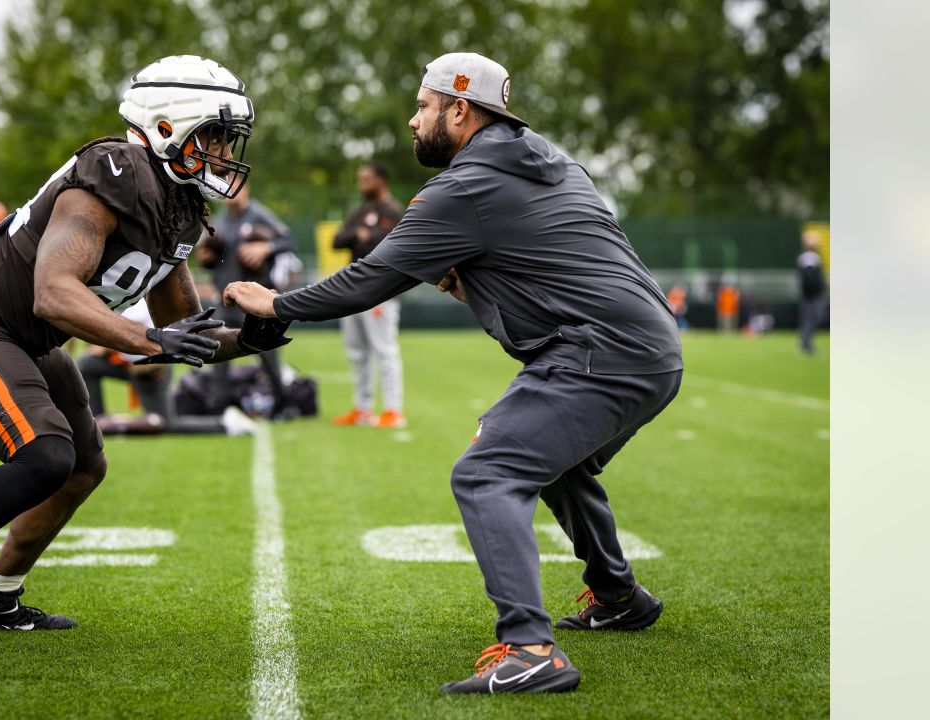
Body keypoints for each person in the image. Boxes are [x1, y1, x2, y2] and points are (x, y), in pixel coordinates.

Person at [225, 52, 682, 694]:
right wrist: (485, 283)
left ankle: (530, 649)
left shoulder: (464, 186)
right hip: (652, 345)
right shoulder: (548, 160)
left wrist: (275, 303)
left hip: (597, 351)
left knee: (488, 471)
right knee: (555, 463)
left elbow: (369, 279)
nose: (413, 121)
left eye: (423, 106)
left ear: (459, 109)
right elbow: (570, 260)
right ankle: (617, 595)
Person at [0, 55, 289, 672]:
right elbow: (53, 291)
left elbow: (180, 331)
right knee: (45, 455)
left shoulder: (180, 205)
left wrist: (256, 337)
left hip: (28, 339)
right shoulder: (114, 171)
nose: (222, 153)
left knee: (82, 466)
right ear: (167, 127)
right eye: (213, 136)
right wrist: (149, 343)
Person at [76, 300, 257, 436]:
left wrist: (105, 343)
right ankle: (96, 422)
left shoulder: (139, 301)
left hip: (151, 367)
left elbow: (132, 332)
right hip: (126, 363)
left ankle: (226, 424)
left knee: (165, 424)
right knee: (87, 364)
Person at [196, 183, 295, 417]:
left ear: (246, 190)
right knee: (217, 349)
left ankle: (282, 403)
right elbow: (208, 258)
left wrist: (266, 247)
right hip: (226, 298)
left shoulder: (260, 215)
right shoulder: (219, 221)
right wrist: (207, 258)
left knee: (266, 352)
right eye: (227, 190)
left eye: (236, 189)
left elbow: (287, 241)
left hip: (255, 300)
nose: (232, 194)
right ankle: (218, 407)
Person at [331, 162, 406, 428]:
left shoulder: (393, 211)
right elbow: (337, 240)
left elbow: (383, 243)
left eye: (367, 179)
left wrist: (363, 236)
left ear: (381, 181)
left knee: (384, 350)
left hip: (381, 292)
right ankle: (362, 409)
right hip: (352, 291)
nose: (362, 183)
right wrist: (358, 234)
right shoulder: (359, 212)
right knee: (356, 352)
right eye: (359, 179)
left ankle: (393, 411)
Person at [797, 229, 827, 354]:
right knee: (813, 317)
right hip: (813, 294)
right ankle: (806, 342)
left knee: (809, 317)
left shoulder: (805, 258)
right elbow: (813, 278)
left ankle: (806, 341)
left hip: (808, 293)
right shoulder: (811, 258)